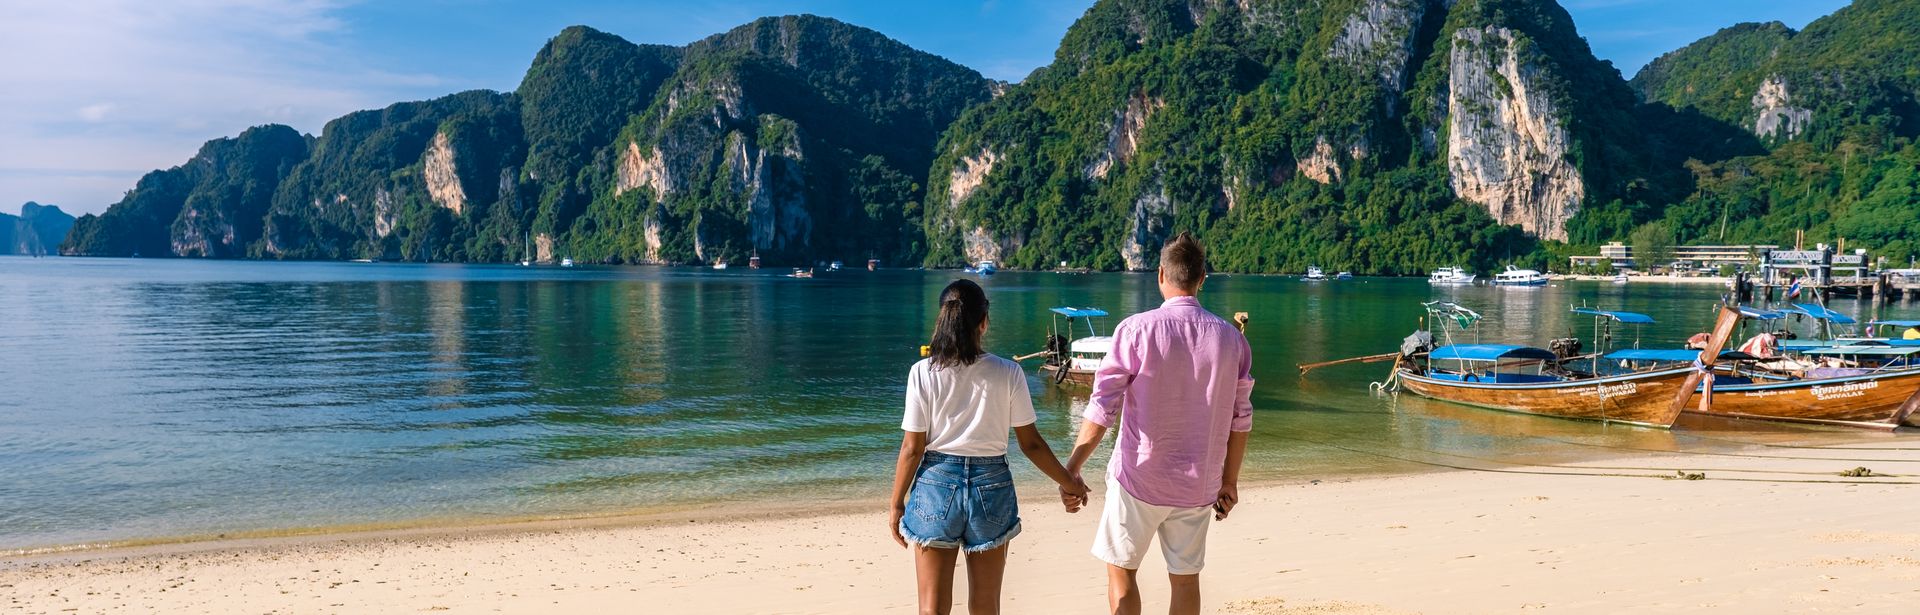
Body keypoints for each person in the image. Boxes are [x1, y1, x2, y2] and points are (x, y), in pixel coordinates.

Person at [1062, 232, 1254, 615]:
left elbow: (1103, 407)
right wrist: (1229, 481)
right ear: (1202, 278)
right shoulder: (1232, 340)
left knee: (1122, 575)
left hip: (1139, 477)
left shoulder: (1135, 330)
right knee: (1185, 579)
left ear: (1160, 274)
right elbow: (1240, 419)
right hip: (1199, 483)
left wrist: (1072, 468)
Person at [888, 279, 1091, 615]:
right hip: (991, 486)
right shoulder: (1009, 373)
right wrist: (1069, 481)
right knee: (985, 606)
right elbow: (1032, 445)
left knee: (931, 609)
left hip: (935, 486)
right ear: (984, 322)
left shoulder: (922, 373)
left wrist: (896, 503)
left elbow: (912, 448)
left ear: (943, 319)